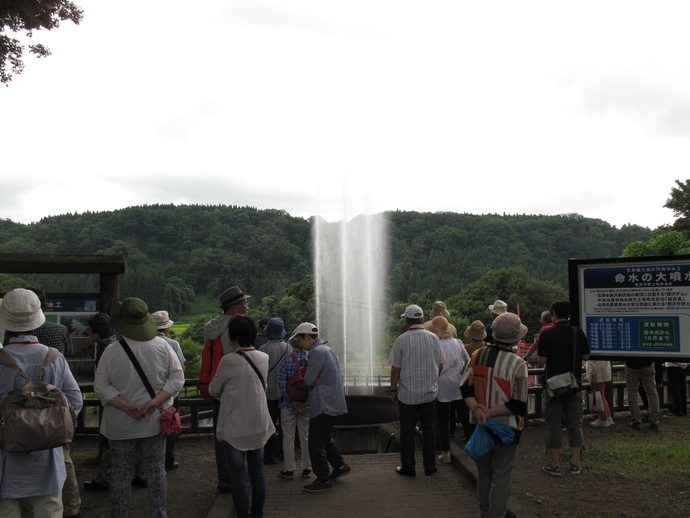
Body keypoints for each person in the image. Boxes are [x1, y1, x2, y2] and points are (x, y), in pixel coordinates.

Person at [95, 297, 184, 518]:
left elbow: (101, 386)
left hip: (119, 424)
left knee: (121, 474)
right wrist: (153, 403)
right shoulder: (163, 346)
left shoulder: (111, 351)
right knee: (156, 472)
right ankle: (158, 514)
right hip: (154, 422)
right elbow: (177, 379)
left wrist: (126, 406)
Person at [0, 288, 84, 518]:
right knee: (49, 507)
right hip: (48, 448)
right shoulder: (54, 358)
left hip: (5, 451)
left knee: (6, 508)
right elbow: (75, 400)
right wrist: (53, 425)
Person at [461, 312, 529, 518]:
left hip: (479, 425)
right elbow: (518, 404)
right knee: (502, 478)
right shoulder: (518, 364)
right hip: (506, 428)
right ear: (516, 339)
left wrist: (478, 410)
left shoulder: (477, 355)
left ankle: (484, 513)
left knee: (484, 475)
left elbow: (465, 389)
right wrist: (489, 411)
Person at [209, 315, 274, 518]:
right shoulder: (263, 358)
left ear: (233, 337)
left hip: (235, 428)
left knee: (238, 478)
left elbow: (213, 389)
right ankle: (258, 514)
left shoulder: (228, 361)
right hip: (258, 424)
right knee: (257, 473)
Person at [26, 286, 81, 518]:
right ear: (45, 307)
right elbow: (75, 397)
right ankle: (71, 508)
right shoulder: (59, 331)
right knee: (63, 462)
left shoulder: (8, 343)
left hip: (14, 423)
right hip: (53, 416)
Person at [290, 322, 349, 493]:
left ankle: (323, 479)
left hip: (324, 404)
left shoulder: (316, 352)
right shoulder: (325, 349)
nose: (300, 344)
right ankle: (339, 466)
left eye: (300, 340)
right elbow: (313, 379)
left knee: (316, 443)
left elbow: (308, 381)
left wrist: (313, 380)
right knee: (324, 437)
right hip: (329, 402)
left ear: (307, 337)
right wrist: (314, 380)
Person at [203, 286, 250, 492]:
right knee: (240, 432)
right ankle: (238, 477)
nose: (247, 306)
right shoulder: (239, 326)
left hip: (217, 386)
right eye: (244, 302)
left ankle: (224, 478)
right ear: (236, 306)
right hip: (238, 387)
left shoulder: (210, 327)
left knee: (220, 433)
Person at [389, 305, 444, 477]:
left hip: (408, 394)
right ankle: (430, 466)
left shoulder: (402, 339)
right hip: (429, 393)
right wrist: (433, 380)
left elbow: (395, 369)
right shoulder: (434, 338)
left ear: (407, 320)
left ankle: (408, 467)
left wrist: (393, 390)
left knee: (407, 431)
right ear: (421, 319)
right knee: (429, 430)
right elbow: (440, 364)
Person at [538, 300, 590, 476]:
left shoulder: (547, 334)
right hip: (574, 383)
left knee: (553, 424)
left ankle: (555, 464)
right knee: (575, 423)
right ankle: (575, 463)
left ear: (553, 313)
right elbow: (586, 356)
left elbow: (542, 361)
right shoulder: (577, 332)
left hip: (553, 385)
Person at [423, 316, 472, 462]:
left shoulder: (435, 344)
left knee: (443, 421)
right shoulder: (457, 342)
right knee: (465, 416)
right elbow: (468, 362)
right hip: (458, 384)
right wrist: (463, 375)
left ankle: (446, 452)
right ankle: (471, 446)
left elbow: (433, 365)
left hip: (441, 385)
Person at [151, 310, 187, 471]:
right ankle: (168, 459)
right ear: (166, 328)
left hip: (150, 393)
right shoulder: (173, 344)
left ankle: (149, 460)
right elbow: (181, 368)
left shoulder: (146, 343)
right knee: (169, 423)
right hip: (170, 393)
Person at [277, 325, 312, 480]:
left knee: (288, 437)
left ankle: (289, 469)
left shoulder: (286, 360)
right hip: (306, 404)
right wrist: (305, 401)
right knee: (305, 436)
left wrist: (291, 400)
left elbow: (281, 383)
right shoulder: (310, 358)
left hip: (287, 404)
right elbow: (313, 383)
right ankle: (307, 468)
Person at [258, 317, 291, 465]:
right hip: (284, 392)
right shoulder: (287, 348)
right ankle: (285, 453)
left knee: (269, 424)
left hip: (267, 392)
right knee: (285, 424)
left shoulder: (263, 349)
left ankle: (269, 455)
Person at [625, 357, 660, 431]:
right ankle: (654, 421)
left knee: (632, 392)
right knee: (652, 393)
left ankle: (636, 420)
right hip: (648, 363)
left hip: (631, 364)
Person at [586, 360, 613, 427]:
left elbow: (593, 362)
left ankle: (603, 419)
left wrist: (593, 374)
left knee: (599, 397)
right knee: (602, 397)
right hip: (605, 371)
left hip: (598, 374)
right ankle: (608, 417)